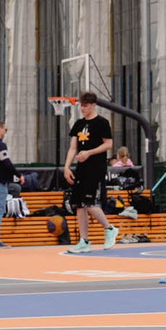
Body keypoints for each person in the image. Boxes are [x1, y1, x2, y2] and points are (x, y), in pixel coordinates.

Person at [64, 94, 117, 248]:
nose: (82, 108)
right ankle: (84, 241)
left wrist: (89, 152)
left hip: (96, 167)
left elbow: (108, 144)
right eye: (81, 105)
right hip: (81, 168)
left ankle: (110, 228)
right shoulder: (79, 124)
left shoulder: (102, 122)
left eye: (86, 105)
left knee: (89, 203)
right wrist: (67, 167)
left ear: (93, 105)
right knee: (79, 205)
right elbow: (73, 147)